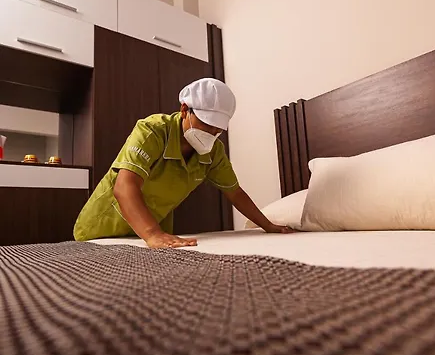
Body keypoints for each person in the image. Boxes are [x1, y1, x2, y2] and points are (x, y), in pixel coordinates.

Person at [74, 78, 294, 248]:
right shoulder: (153, 131)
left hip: (146, 236)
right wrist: (153, 234)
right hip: (102, 230)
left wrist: (268, 226)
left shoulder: (214, 151)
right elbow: (124, 187)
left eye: (218, 129)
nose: (212, 133)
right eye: (206, 124)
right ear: (184, 110)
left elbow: (235, 193)